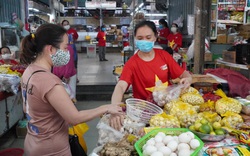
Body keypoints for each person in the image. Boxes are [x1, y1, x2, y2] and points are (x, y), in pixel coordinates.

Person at [20, 24, 124, 155]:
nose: (67, 52)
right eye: (65, 47)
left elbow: (26, 108)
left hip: (33, 142)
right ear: (50, 49)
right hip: (52, 149)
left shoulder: (29, 71)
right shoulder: (49, 81)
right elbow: (74, 118)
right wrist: (106, 108)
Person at [109, 20, 192, 130]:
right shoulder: (132, 63)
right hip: (143, 115)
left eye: (148, 37)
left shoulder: (164, 56)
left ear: (155, 37)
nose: (144, 41)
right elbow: (121, 86)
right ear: (135, 39)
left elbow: (183, 74)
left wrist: (188, 79)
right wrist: (114, 108)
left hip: (166, 112)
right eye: (140, 38)